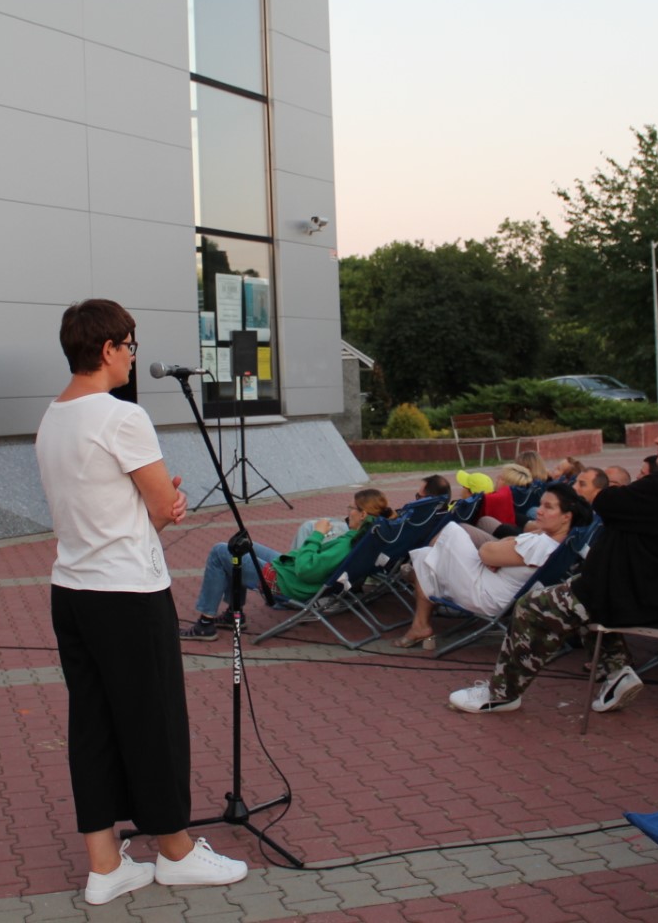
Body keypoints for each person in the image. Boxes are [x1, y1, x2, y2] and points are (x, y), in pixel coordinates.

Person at [34, 298, 245, 904]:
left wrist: (149, 504)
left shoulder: (54, 417)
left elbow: (100, 503)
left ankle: (106, 866)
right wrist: (169, 505)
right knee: (153, 722)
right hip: (128, 592)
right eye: (130, 346)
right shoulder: (121, 417)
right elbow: (159, 509)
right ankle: (176, 851)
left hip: (72, 589)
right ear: (107, 349)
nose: (133, 357)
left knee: (94, 724)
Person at [446, 404, 658, 715]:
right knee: (578, 594)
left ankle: (502, 694)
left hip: (635, 598)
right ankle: (617, 673)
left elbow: (607, 501)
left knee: (532, 606)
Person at [393, 484, 594, 650]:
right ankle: (421, 623)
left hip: (485, 594)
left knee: (451, 532)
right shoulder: (557, 542)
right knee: (429, 556)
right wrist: (500, 551)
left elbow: (486, 552)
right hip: (497, 589)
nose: (540, 511)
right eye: (541, 504)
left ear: (566, 516)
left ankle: (420, 584)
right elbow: (505, 545)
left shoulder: (540, 544)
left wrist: (495, 553)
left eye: (549, 507)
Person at [179, 488, 396, 640]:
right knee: (240, 545)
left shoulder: (348, 543)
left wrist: (317, 535)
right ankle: (233, 614)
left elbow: (305, 570)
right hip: (290, 572)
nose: (348, 511)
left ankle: (205, 624)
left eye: (351, 507)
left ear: (363, 514)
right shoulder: (363, 539)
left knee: (221, 551)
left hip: (287, 583)